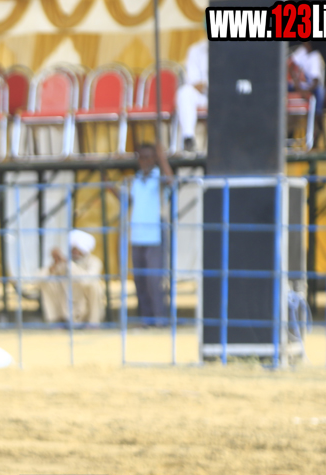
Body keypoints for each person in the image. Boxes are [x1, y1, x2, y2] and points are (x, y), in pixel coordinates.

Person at [129, 143, 172, 326]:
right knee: (140, 280)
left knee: (155, 280)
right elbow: (129, 201)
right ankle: (146, 318)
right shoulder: (136, 179)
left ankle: (160, 318)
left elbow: (171, 182)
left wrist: (162, 159)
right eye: (142, 157)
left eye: (148, 157)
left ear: (154, 158)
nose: (144, 161)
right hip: (137, 234)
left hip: (155, 234)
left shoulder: (159, 178)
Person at [41, 229, 106, 326]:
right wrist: (53, 266)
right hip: (67, 302)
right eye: (73, 249)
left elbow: (87, 281)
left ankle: (93, 322)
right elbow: (38, 280)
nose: (75, 252)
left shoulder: (94, 262)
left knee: (94, 285)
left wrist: (68, 264)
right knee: (49, 282)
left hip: (85, 303)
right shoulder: (64, 262)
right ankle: (56, 320)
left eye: (78, 249)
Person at [288, 40, 325, 142]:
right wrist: (297, 84)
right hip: (300, 86)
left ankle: (317, 120)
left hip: (312, 87)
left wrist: (305, 91)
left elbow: (315, 81)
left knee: (320, 92)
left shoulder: (316, 56)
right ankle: (288, 129)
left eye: (307, 43)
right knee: (284, 86)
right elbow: (291, 65)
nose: (305, 44)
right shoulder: (302, 51)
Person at [176, 39, 208, 153]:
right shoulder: (196, 50)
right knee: (184, 92)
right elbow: (194, 83)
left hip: (227, 95)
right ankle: (188, 138)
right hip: (204, 95)